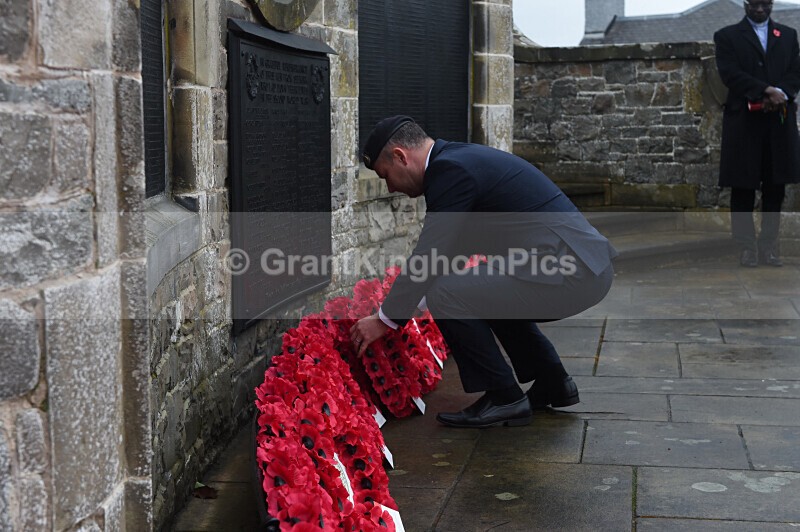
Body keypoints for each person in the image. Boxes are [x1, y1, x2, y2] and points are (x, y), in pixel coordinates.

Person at [349, 116, 617, 429]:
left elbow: (431, 252)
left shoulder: (450, 170)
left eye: (386, 176)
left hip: (572, 272)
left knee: (448, 292)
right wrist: (409, 307)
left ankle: (505, 398)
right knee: (477, 289)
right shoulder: (458, 160)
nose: (391, 187)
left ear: (400, 156)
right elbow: (451, 250)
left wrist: (385, 319)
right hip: (580, 267)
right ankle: (552, 382)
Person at [714, 0, 800, 267]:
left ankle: (768, 247)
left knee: (776, 188)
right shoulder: (727, 36)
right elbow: (730, 74)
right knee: (743, 188)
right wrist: (765, 90)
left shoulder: (788, 35)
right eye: (754, 5)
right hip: (744, 124)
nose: (760, 10)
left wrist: (782, 93)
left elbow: (795, 72)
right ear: (745, 4)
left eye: (764, 4)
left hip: (779, 121)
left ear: (771, 4)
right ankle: (746, 248)